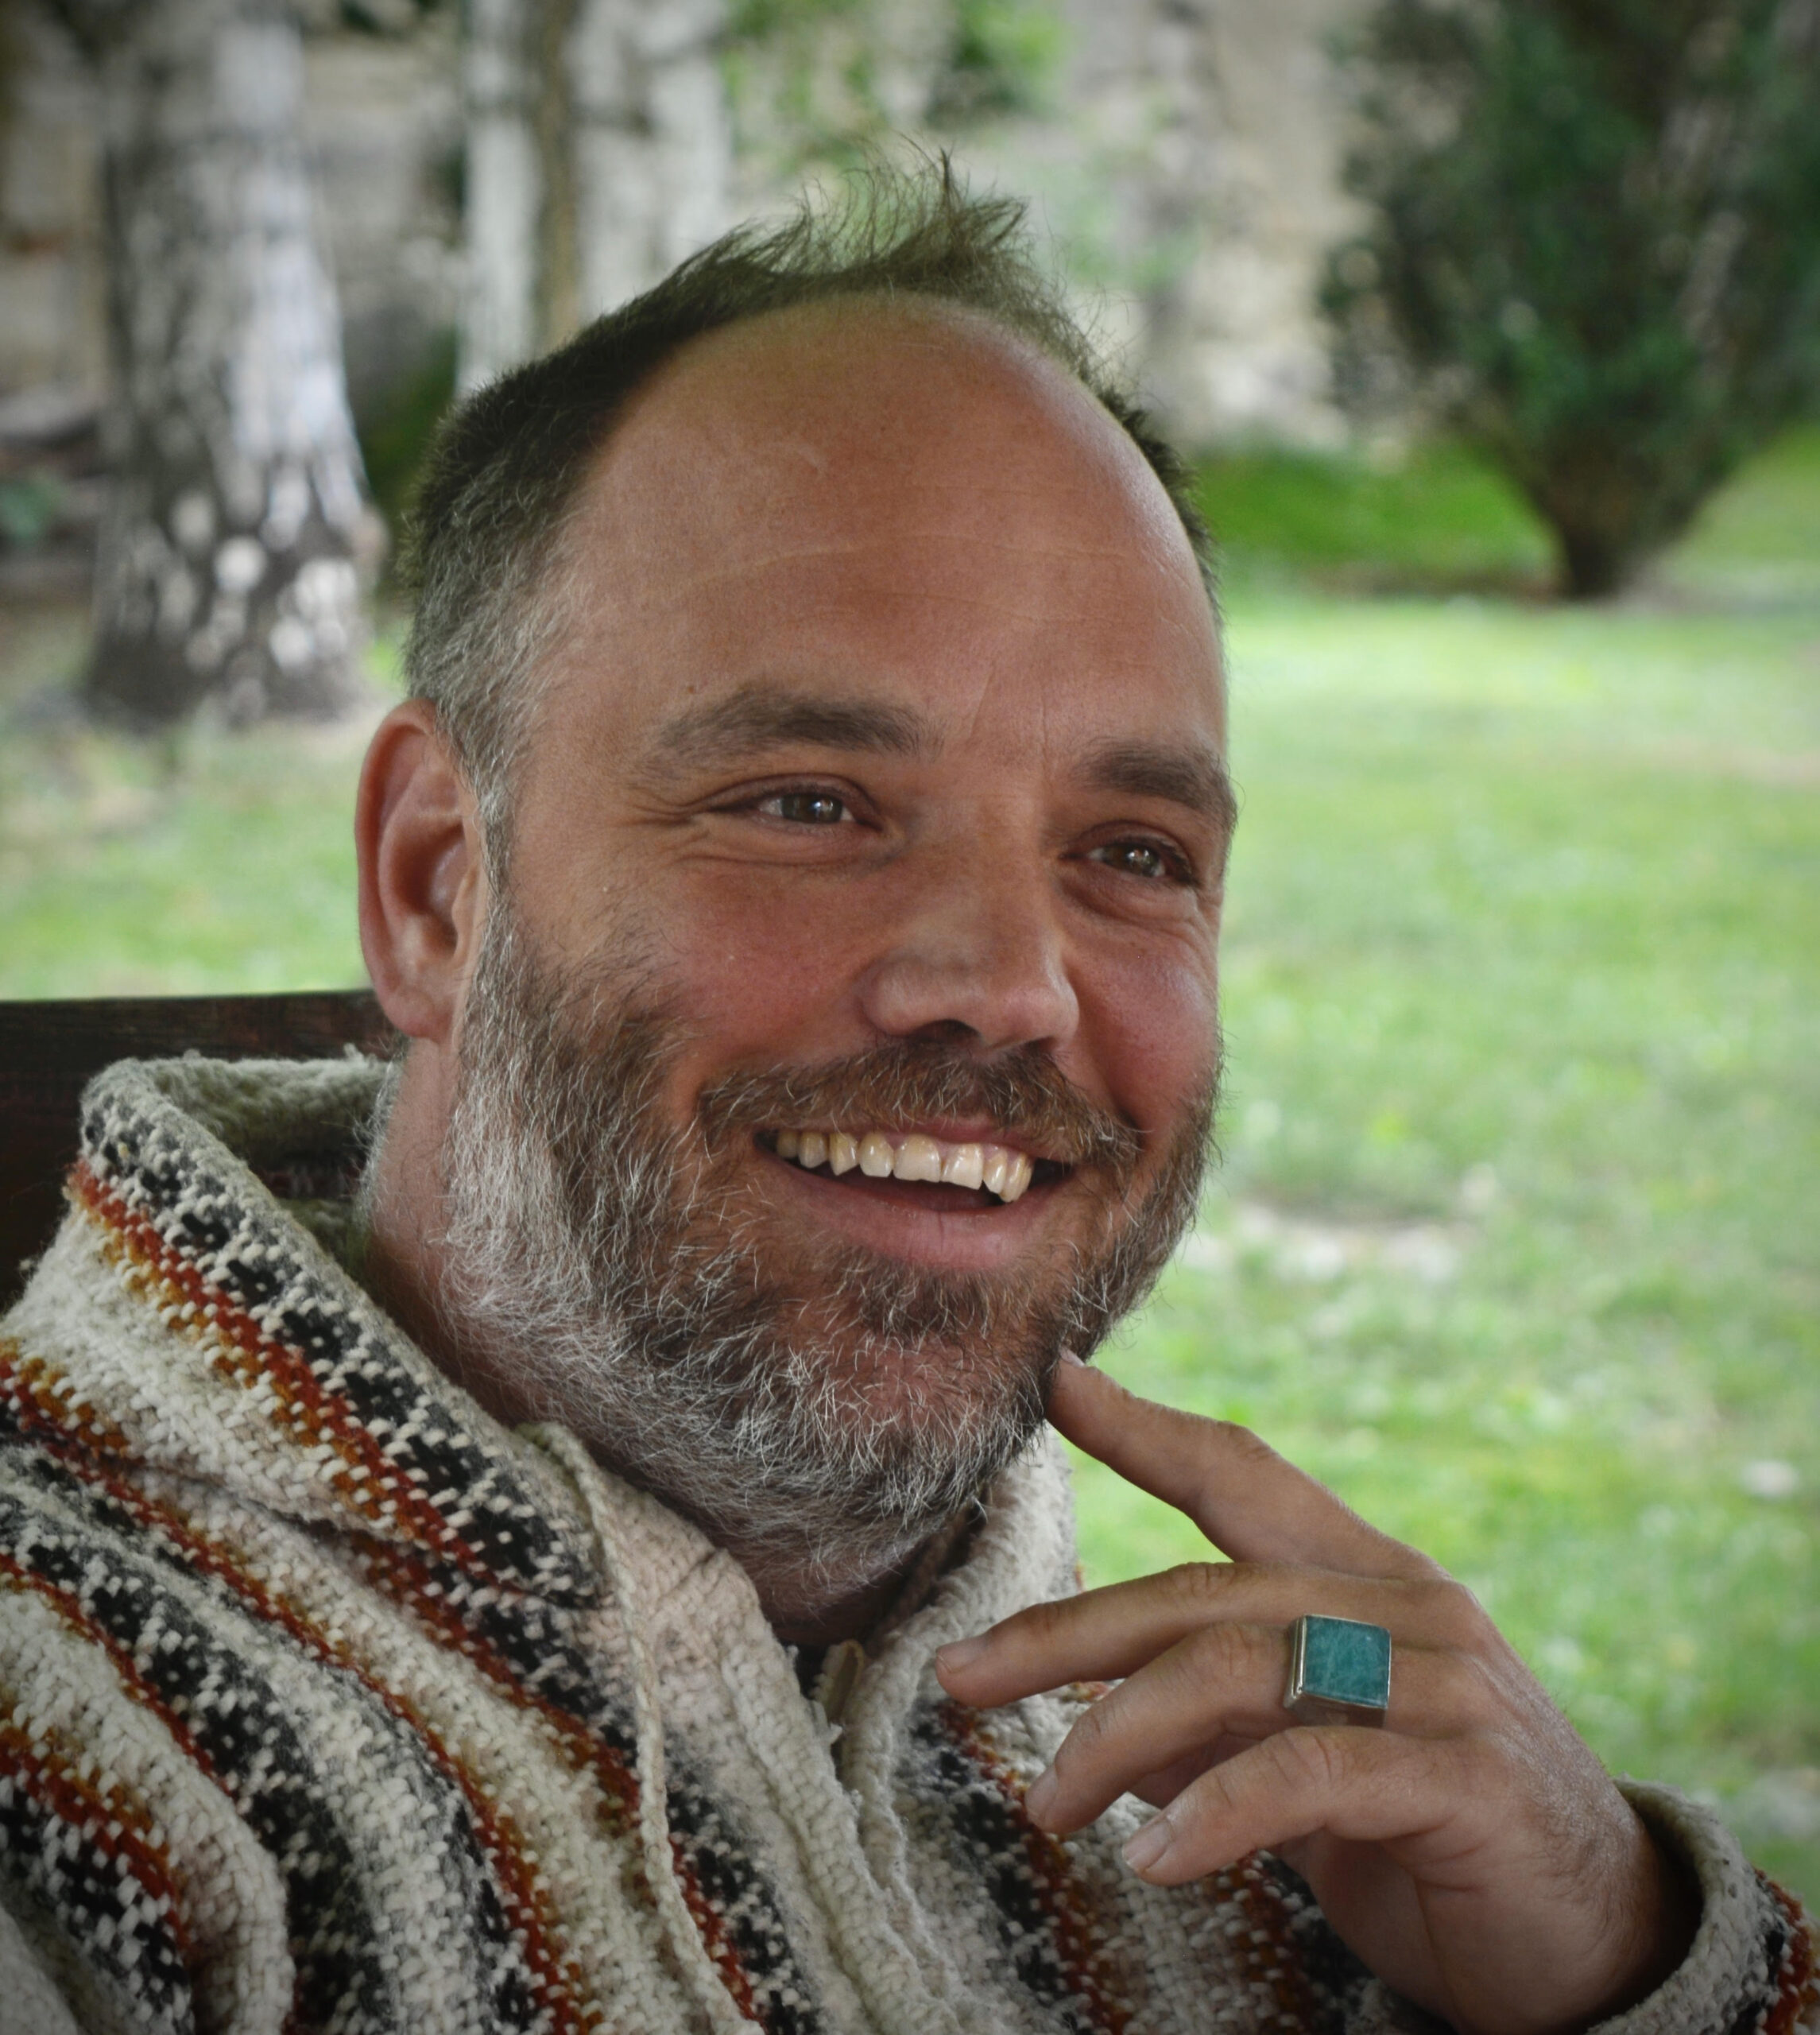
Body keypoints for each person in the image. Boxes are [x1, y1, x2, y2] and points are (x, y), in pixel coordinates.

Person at [0, 168, 1811, 2035]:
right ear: (436, 887)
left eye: (1130, 849)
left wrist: (1627, 1961)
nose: (1015, 985)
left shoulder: (1331, 1816)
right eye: (809, 803)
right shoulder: (58, 1768)